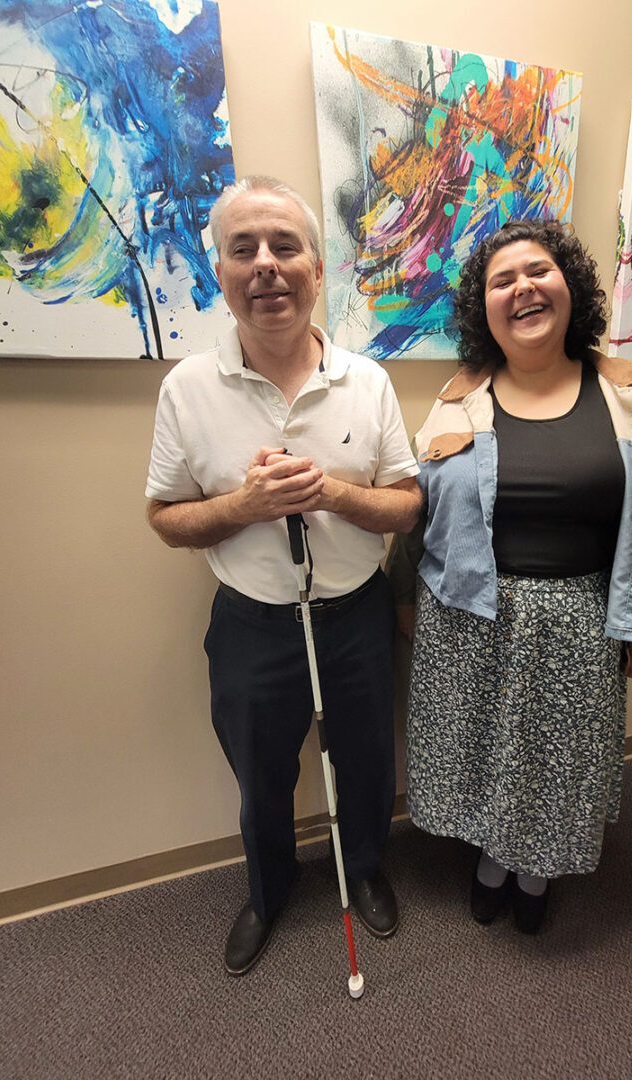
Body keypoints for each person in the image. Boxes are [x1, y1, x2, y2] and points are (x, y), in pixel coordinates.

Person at [387, 219, 632, 933]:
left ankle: (533, 875)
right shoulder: (456, 398)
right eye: (503, 280)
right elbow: (420, 508)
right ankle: (491, 861)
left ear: (569, 288)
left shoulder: (629, 397)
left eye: (539, 271)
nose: (523, 287)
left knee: (558, 762)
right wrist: (404, 594)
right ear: (484, 308)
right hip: (466, 616)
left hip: (579, 623)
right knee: (482, 749)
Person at [145, 175, 421, 975]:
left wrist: (331, 493)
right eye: (244, 249)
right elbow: (165, 518)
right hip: (252, 623)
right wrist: (245, 504)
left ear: (316, 267)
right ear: (222, 273)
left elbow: (406, 506)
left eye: (284, 246)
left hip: (356, 615)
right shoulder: (187, 388)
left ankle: (363, 868)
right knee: (260, 774)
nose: (265, 265)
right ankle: (267, 894)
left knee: (367, 759)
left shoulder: (366, 380)